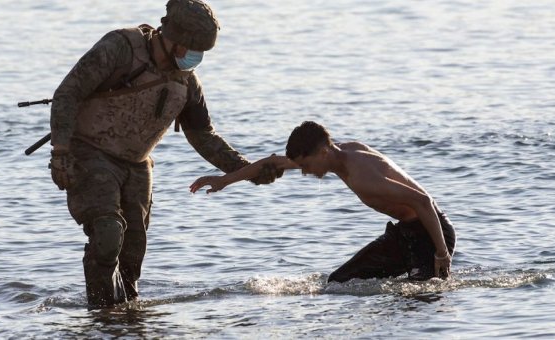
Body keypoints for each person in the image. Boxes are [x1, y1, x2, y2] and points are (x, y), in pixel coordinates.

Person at [48, 0, 282, 309]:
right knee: (107, 233)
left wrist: (246, 169)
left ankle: (127, 315)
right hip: (89, 152)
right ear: (169, 37)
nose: (192, 56)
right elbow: (68, 93)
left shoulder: (186, 83)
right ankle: (102, 314)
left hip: (137, 165)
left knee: (132, 254)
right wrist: (61, 151)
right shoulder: (120, 48)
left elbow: (203, 136)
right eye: (187, 47)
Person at [190, 121, 456, 282]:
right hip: (407, 232)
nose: (303, 171)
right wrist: (225, 180)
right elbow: (271, 162)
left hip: (431, 233)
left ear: (322, 152)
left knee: (421, 297)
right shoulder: (339, 152)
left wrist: (441, 253)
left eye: (305, 165)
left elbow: (423, 201)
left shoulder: (362, 174)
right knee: (339, 281)